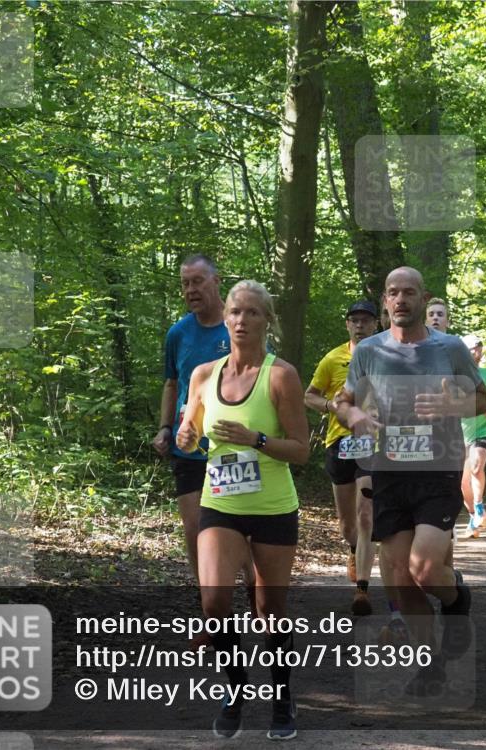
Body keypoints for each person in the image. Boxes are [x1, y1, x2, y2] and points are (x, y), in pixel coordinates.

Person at [335, 267, 486, 696]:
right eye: (392, 293)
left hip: (437, 470)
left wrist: (452, 401)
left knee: (424, 570)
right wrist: (355, 415)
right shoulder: (368, 351)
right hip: (388, 472)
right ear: (384, 301)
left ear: (423, 299)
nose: (400, 299)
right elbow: (343, 402)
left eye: (408, 292)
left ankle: (457, 599)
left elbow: (484, 399)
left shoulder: (449, 347)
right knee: (401, 578)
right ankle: (431, 663)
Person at [177, 280, 310, 740]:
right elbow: (190, 431)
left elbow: (301, 450)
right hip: (220, 504)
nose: (240, 320)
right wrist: (185, 438)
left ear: (266, 321)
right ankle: (234, 690)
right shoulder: (203, 374)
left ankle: (282, 697)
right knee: (214, 605)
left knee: (269, 609)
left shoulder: (280, 376)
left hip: (273, 508)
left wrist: (255, 439)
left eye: (252, 313)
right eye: (235, 311)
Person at [151, 255, 255, 636]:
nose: (190, 290)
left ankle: (254, 590)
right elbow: (171, 384)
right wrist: (165, 427)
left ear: (216, 281)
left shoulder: (238, 329)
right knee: (196, 531)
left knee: (239, 531)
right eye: (185, 284)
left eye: (197, 281)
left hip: (233, 447)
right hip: (189, 448)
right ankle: (212, 613)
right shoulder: (178, 333)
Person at [305, 301, 379, 616]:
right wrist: (330, 407)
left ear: (376, 324)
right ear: (347, 324)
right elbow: (308, 395)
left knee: (366, 515)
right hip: (339, 441)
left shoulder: (386, 356)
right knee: (348, 523)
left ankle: (362, 589)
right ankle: (353, 548)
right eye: (354, 320)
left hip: (373, 443)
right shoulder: (333, 358)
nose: (359, 325)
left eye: (365, 320)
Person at [458, 334, 486, 539]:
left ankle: (479, 506)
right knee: (463, 483)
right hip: (459, 434)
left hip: (482, 430)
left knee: (476, 467)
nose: (478, 351)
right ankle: (474, 516)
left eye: (479, 347)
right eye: (473, 348)